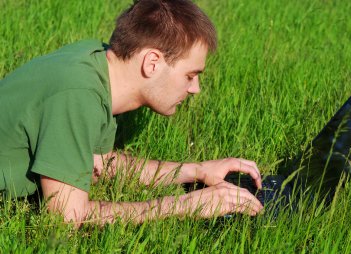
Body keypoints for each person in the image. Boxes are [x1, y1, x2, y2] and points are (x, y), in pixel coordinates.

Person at [0, 0, 263, 225]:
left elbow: (100, 165)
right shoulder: (78, 94)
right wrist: (185, 205)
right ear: (152, 63)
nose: (196, 89)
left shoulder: (95, 66)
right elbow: (66, 219)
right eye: (190, 75)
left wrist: (198, 170)